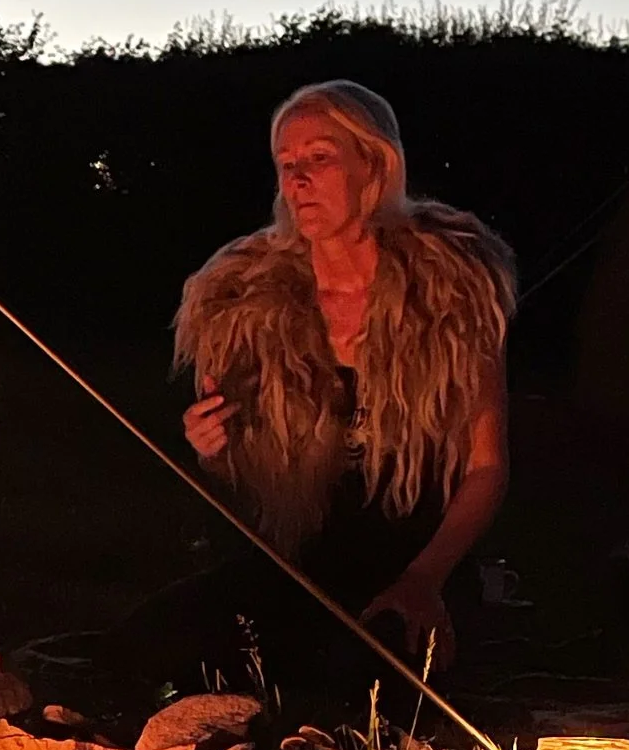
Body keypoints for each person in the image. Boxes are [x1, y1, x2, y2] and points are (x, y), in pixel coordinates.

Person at [131, 81, 513, 699]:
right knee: (154, 646)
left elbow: (487, 466)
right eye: (287, 165)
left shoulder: (452, 295)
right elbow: (253, 485)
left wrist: (425, 579)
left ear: (375, 163)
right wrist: (213, 448)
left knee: (353, 683)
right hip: (300, 563)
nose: (298, 179)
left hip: (416, 559)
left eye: (320, 158)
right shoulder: (247, 304)